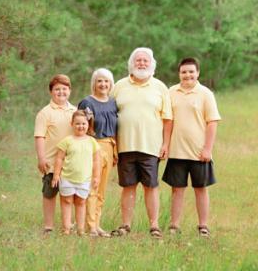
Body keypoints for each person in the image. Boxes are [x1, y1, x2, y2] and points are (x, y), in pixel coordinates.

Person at [110, 47, 172, 238]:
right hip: (125, 145)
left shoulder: (160, 87)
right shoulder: (119, 86)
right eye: (138, 60)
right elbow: (109, 114)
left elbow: (168, 118)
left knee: (150, 186)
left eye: (145, 60)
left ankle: (154, 226)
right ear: (131, 63)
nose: (141, 63)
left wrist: (165, 145)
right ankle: (125, 225)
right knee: (128, 186)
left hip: (151, 146)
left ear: (152, 64)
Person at [162, 57, 221, 237]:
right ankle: (174, 225)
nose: (187, 75)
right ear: (179, 73)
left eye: (191, 71)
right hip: (177, 151)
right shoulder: (171, 92)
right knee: (177, 189)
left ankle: (203, 225)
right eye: (184, 72)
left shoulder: (205, 93)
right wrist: (165, 144)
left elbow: (212, 122)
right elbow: (168, 121)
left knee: (200, 188)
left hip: (199, 152)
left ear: (197, 73)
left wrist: (207, 149)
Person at [33, 74, 76, 234]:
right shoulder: (45, 113)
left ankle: (68, 223)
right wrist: (41, 158)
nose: (61, 92)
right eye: (57, 89)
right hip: (51, 162)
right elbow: (40, 137)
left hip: (71, 162)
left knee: (69, 194)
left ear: (69, 91)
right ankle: (49, 226)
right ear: (51, 91)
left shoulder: (75, 111)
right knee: (50, 193)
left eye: (64, 89)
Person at [78, 68, 118, 236]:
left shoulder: (113, 103)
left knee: (102, 189)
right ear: (94, 83)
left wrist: (116, 151)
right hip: (93, 146)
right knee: (92, 187)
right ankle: (90, 226)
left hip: (110, 146)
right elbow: (81, 128)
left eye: (106, 81)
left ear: (111, 84)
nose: (103, 84)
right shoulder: (88, 102)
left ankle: (97, 223)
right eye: (99, 81)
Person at [51, 109, 100, 235]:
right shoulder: (67, 141)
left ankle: (80, 229)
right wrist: (56, 175)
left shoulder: (92, 142)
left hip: (84, 179)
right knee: (66, 201)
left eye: (83, 123)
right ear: (72, 124)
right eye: (77, 123)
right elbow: (59, 158)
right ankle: (66, 228)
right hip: (67, 177)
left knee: (81, 202)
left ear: (88, 124)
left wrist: (96, 177)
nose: (81, 126)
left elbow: (96, 162)